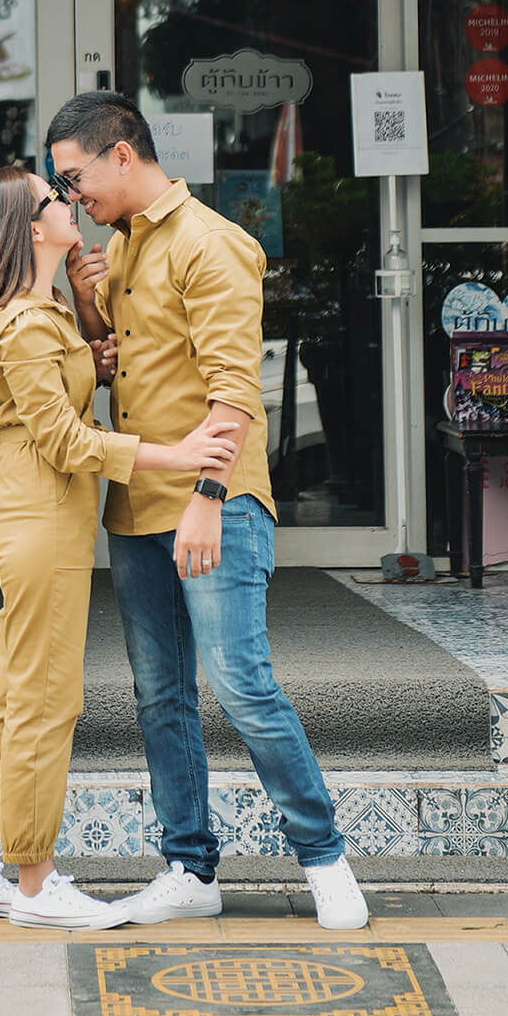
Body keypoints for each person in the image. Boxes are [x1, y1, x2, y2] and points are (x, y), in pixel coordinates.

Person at [47, 91, 369, 933]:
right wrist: (89, 308)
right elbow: (124, 366)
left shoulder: (213, 244)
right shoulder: (120, 247)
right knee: (161, 696)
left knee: (241, 685)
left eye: (75, 177)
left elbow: (237, 394)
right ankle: (189, 869)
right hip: (135, 507)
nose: (72, 196)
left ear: (122, 153)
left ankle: (325, 858)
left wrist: (207, 501)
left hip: (210, 505)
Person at [0, 165, 240, 930]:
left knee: (12, 690)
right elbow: (65, 441)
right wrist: (182, 453)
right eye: (53, 198)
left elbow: (47, 405)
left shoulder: (41, 309)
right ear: (31, 228)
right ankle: (35, 882)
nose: (69, 202)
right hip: (39, 516)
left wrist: (87, 348)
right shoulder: (30, 322)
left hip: (34, 510)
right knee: (45, 700)